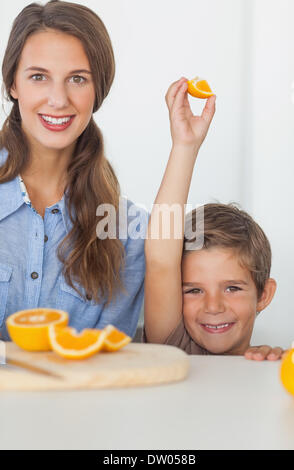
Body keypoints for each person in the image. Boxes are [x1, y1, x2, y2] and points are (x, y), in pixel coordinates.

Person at [0, 0, 147, 341]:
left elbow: (103, 362)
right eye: (39, 77)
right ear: (13, 85)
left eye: (77, 79)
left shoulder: (125, 231)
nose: (58, 99)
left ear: (97, 91)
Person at [143, 77, 284, 360]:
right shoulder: (173, 349)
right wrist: (185, 146)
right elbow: (160, 259)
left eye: (232, 288)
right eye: (193, 290)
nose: (213, 306)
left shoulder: (270, 364)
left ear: (264, 295)